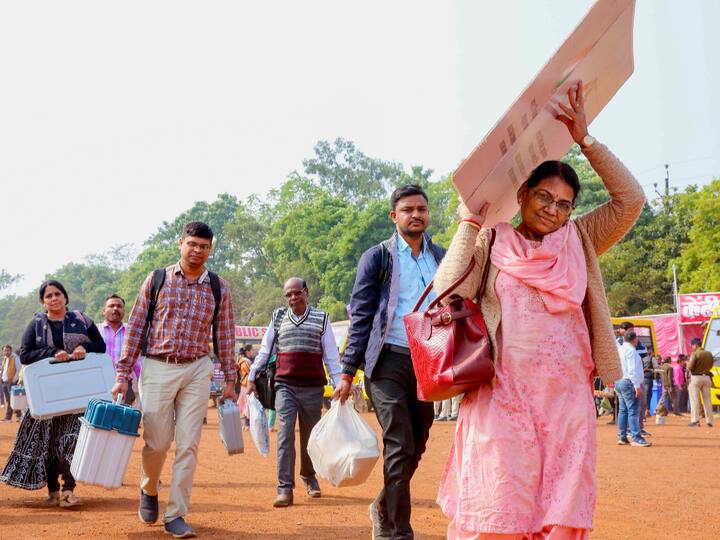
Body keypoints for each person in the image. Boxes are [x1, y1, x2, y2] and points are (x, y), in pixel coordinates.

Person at [428, 82, 646, 538]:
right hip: (501, 398)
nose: (553, 210)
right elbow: (447, 290)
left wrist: (587, 140)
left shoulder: (580, 239)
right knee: (500, 508)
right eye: (544, 197)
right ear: (523, 194)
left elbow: (631, 201)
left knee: (560, 514)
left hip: (567, 403)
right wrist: (470, 221)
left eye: (564, 204)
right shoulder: (493, 240)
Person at [334, 183, 446, 539]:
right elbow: (362, 316)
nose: (416, 215)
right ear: (393, 216)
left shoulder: (440, 256)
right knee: (399, 441)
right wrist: (347, 372)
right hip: (387, 361)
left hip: (427, 362)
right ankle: (398, 531)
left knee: (419, 440)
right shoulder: (378, 257)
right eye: (408, 209)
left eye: (421, 209)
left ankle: (383, 504)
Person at [112, 221, 237, 539]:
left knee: (188, 445)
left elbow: (224, 336)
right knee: (157, 442)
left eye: (204, 246)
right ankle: (149, 488)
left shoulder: (218, 287)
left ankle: (176, 514)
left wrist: (230, 380)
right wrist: (123, 375)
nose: (197, 250)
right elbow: (137, 326)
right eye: (192, 244)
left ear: (210, 250)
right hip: (157, 366)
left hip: (197, 369)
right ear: (180, 243)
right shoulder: (157, 280)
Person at [0, 280, 106, 507]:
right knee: (47, 442)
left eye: (57, 294)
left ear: (65, 297)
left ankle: (69, 490)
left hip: (78, 394)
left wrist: (83, 348)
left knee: (73, 440)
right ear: (42, 301)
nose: (54, 298)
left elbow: (100, 346)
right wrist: (53, 352)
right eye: (48, 296)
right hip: (46, 394)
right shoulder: (36, 323)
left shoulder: (82, 320)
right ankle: (52, 493)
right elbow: (26, 354)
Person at [248, 277, 341, 508]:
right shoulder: (277, 318)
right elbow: (264, 350)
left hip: (312, 388)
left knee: (310, 437)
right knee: (284, 434)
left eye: (296, 293)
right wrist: (251, 376)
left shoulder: (322, 318)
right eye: (288, 294)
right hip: (285, 386)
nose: (292, 298)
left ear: (306, 293)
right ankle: (284, 488)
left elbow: (330, 355)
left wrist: (339, 383)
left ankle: (309, 477)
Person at [97, 294, 140, 407]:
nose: (115, 308)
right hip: (101, 383)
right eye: (111, 306)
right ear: (104, 311)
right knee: (100, 418)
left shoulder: (132, 332)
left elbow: (137, 360)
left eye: (119, 306)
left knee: (122, 419)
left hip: (125, 383)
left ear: (124, 311)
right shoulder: (95, 331)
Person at [687, 337, 714, 427]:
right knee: (707, 400)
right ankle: (709, 421)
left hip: (696, 378)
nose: (692, 347)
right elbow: (711, 365)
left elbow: (690, 367)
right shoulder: (709, 354)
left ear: (695, 345)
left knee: (695, 400)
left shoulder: (695, 354)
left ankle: (695, 421)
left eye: (692, 345)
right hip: (707, 377)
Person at [1, 345, 22, 422]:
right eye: (4, 351)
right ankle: (19, 416)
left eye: (7, 350)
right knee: (9, 399)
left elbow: (19, 369)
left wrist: (14, 380)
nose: (6, 352)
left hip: (12, 382)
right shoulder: (4, 359)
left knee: (11, 400)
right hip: (4, 382)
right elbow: (3, 370)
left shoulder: (15, 358)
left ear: (11, 350)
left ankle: (8, 417)